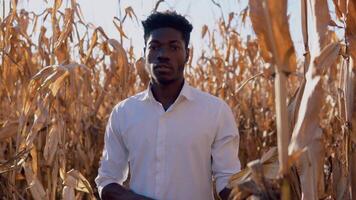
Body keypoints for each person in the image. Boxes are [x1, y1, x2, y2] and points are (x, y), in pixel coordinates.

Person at [95, 11, 241, 200]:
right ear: (144, 53)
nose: (163, 55)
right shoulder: (123, 113)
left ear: (187, 54)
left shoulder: (216, 112)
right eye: (154, 47)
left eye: (174, 47)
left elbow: (227, 181)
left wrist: (256, 194)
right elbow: (107, 181)